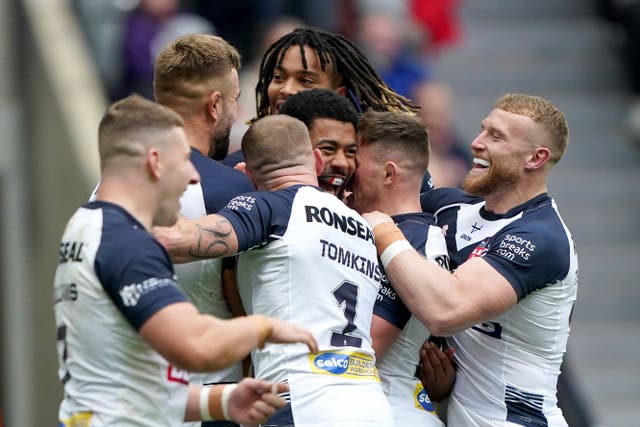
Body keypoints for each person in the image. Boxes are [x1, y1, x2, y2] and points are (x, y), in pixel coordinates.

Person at [53, 94, 317, 426]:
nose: (194, 176)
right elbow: (197, 345)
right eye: (184, 160)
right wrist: (263, 326)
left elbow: (129, 385)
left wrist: (221, 401)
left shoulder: (87, 226)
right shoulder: (126, 242)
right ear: (155, 162)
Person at [156, 115, 395, 427]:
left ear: (248, 176)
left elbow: (177, 241)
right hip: (372, 404)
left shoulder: (271, 207)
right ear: (318, 161)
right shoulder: (362, 228)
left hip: (303, 403)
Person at [362, 93, 578, 426]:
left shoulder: (541, 237)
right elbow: (382, 183)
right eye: (482, 130)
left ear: (536, 157)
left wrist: (383, 230)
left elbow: (447, 310)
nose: (476, 143)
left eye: (496, 136)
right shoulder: (450, 209)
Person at [153, 35, 256, 416]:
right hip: (206, 400)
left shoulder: (108, 185)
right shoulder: (231, 188)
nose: (235, 113)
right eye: (234, 101)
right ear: (214, 105)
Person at [347, 110, 451, 426]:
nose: (346, 171)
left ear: (389, 174)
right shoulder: (416, 233)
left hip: (390, 411)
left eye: (355, 162)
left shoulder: (411, 242)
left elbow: (367, 349)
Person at [223, 26, 419, 168]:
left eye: (306, 81)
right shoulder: (236, 167)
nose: (287, 89)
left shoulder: (368, 172)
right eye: (279, 77)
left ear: (339, 95)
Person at [279, 88, 359, 199]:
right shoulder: (254, 211)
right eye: (328, 148)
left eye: (350, 152)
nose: (342, 163)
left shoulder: (359, 216)